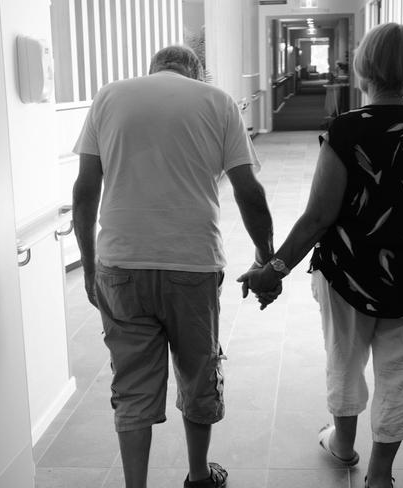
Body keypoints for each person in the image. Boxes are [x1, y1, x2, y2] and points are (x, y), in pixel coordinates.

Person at [238, 23, 403, 488]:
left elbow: (319, 217)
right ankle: (380, 477)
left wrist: (274, 268)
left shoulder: (347, 129)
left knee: (345, 359)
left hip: (350, 276)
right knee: (399, 375)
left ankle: (342, 446)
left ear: (364, 66)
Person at [72, 45, 276, 488]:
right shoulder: (217, 101)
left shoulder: (109, 96)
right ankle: (200, 476)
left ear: (152, 71)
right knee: (198, 370)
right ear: (195, 73)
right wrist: (265, 256)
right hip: (192, 264)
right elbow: (248, 191)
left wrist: (90, 269)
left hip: (121, 265)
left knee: (131, 384)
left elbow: (85, 190)